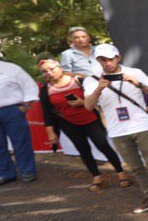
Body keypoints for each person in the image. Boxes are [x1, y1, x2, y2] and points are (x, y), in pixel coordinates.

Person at [82, 43, 148, 214]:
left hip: (142, 125)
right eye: (102, 60)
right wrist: (99, 89)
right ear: (98, 61)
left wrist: (137, 84)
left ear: (118, 58)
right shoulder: (92, 80)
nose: (107, 63)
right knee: (136, 168)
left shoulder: (135, 72)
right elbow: (88, 106)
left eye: (110, 59)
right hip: (117, 130)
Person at [37, 57, 128, 191]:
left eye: (51, 69)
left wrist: (83, 102)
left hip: (90, 119)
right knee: (83, 150)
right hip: (68, 122)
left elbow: (98, 96)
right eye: (44, 71)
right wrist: (51, 133)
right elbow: (47, 112)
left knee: (103, 146)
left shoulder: (78, 80)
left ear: (60, 68)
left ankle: (121, 173)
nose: (49, 73)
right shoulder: (46, 90)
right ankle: (96, 177)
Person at [0, 58, 39, 185]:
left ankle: (27, 171)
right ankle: (5, 173)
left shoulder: (11, 68)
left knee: (21, 142)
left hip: (12, 110)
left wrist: (24, 106)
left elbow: (29, 86)